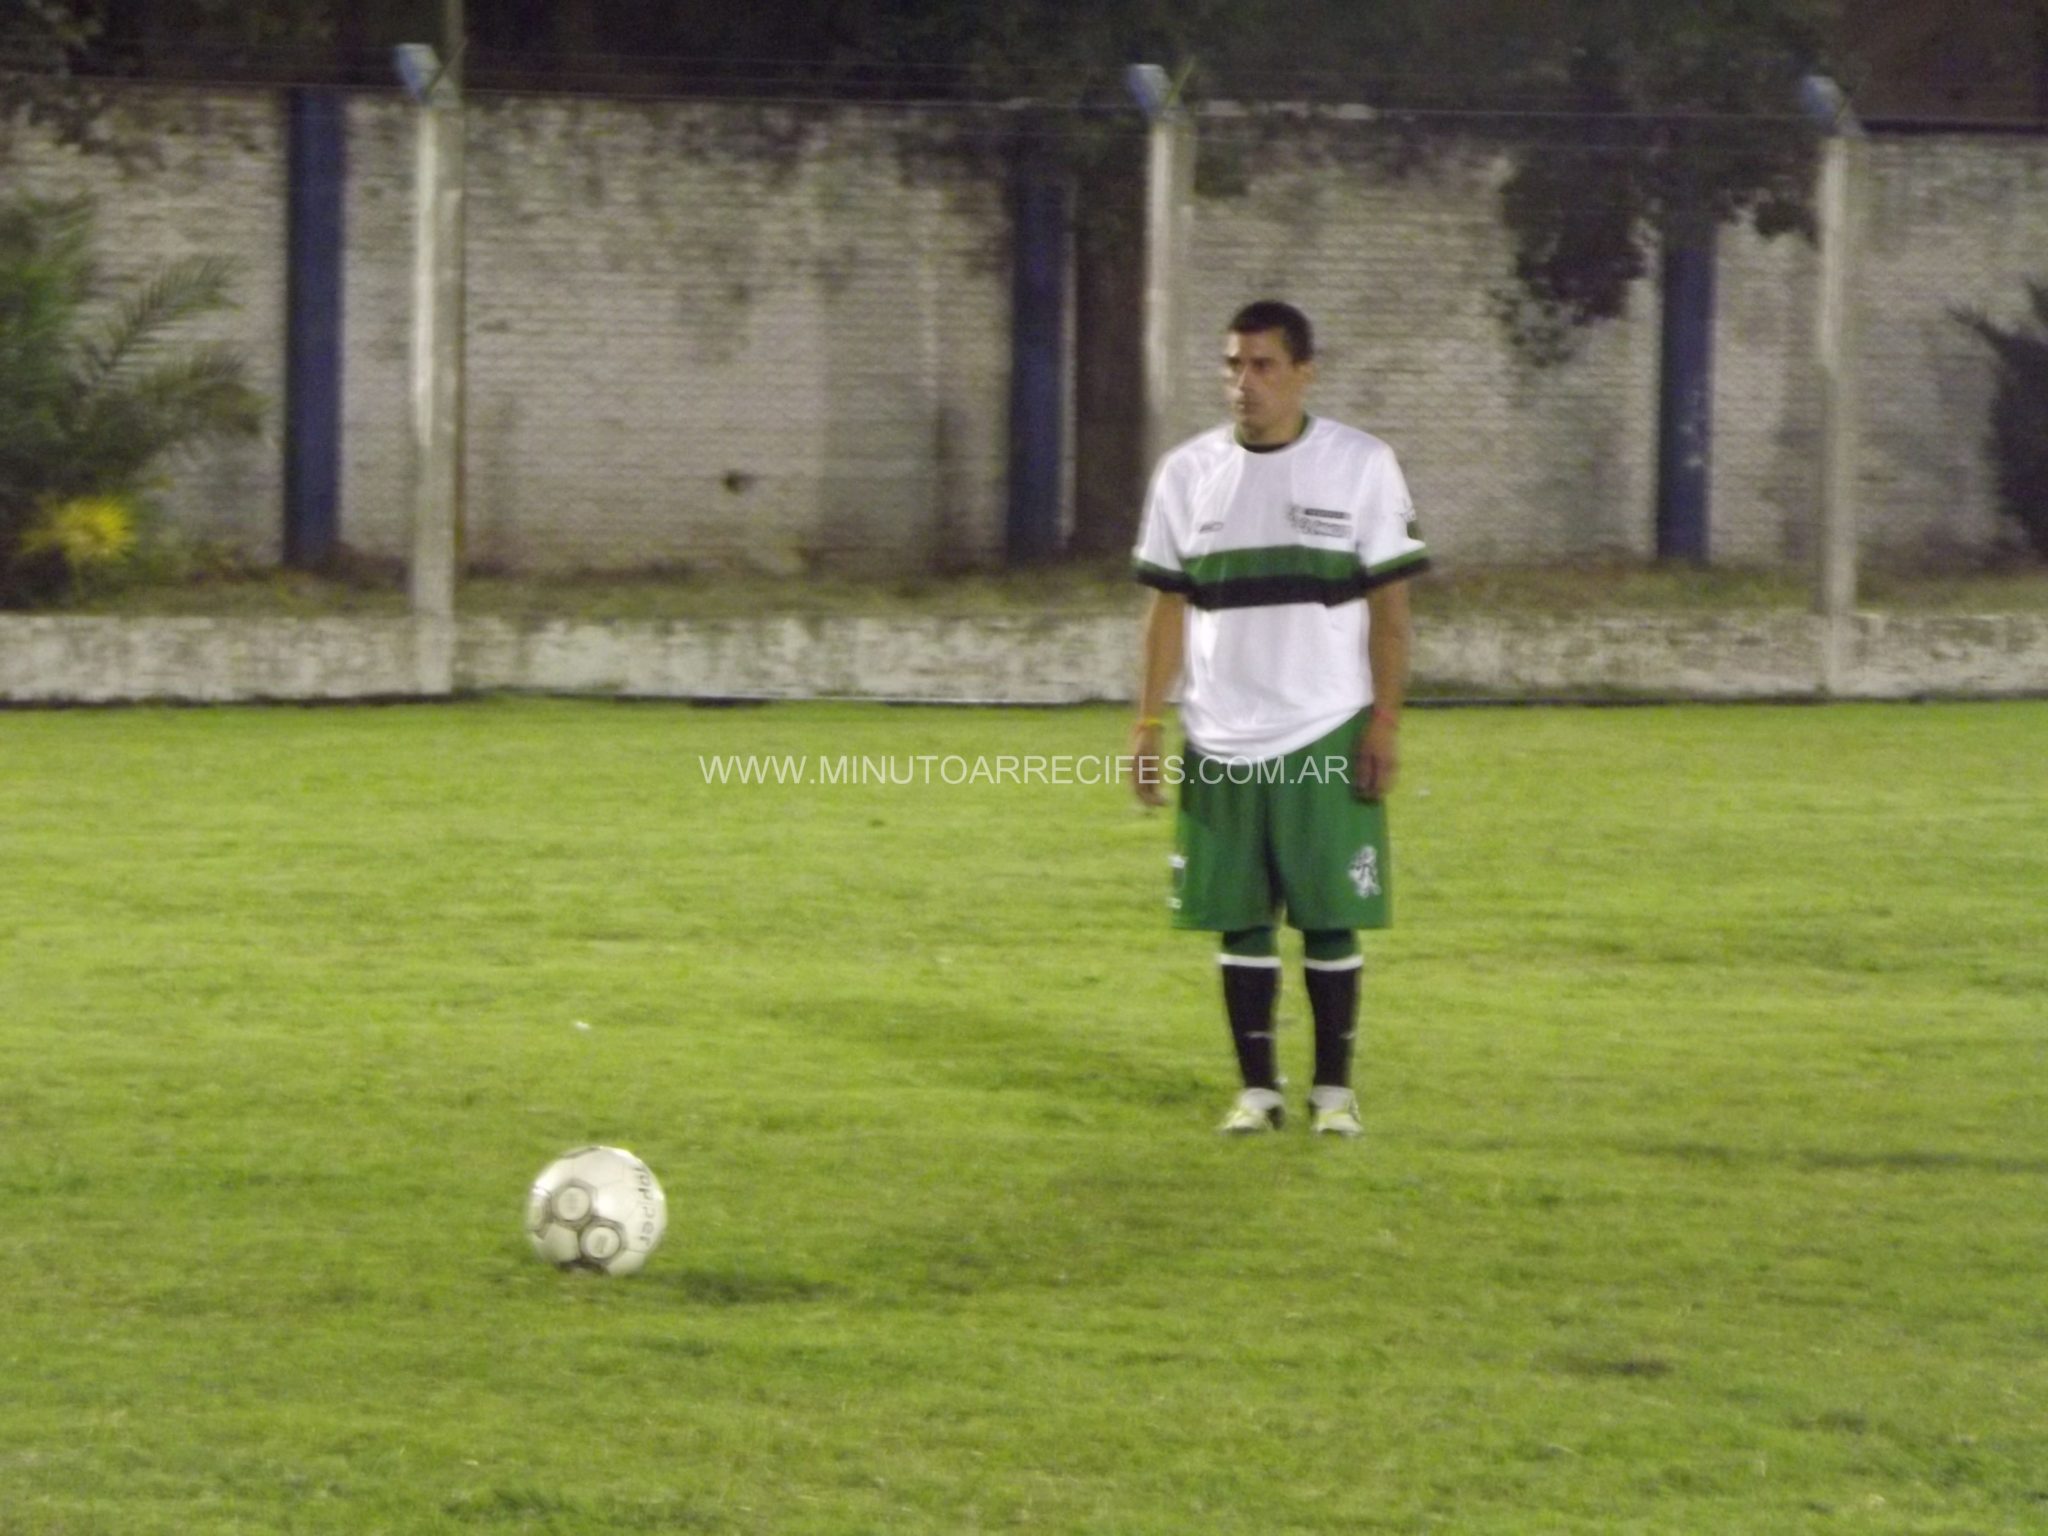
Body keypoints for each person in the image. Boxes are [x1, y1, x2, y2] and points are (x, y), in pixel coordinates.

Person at [1128, 300, 1428, 1137]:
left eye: (1263, 365)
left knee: (1329, 913)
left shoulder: (1360, 464)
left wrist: (1384, 722)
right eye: (1233, 365)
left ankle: (1333, 1095)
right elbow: (1166, 612)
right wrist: (1148, 723)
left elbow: (1392, 614)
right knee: (1239, 916)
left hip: (1324, 727)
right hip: (1218, 733)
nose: (1244, 383)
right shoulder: (1186, 473)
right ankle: (1257, 1093)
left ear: (1304, 372)